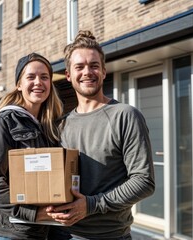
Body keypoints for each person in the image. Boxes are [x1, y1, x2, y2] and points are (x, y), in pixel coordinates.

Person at [46, 30, 156, 239]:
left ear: (104, 71)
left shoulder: (125, 116)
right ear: (68, 74)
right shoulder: (60, 125)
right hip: (61, 234)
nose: (87, 72)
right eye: (79, 67)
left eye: (94, 65)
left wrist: (91, 205)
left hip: (109, 235)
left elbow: (144, 181)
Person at [0, 52, 67, 239]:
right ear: (19, 84)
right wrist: (32, 212)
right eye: (31, 77)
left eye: (44, 77)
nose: (38, 82)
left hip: (46, 229)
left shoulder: (51, 126)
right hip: (15, 232)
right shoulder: (4, 123)